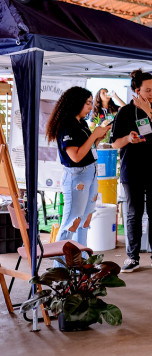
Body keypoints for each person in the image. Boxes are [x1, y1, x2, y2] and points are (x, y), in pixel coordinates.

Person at [111, 69, 152, 273]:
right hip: (133, 169)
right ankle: (132, 257)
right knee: (133, 213)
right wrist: (129, 139)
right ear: (136, 90)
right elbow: (114, 144)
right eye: (147, 90)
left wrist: (149, 111)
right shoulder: (125, 112)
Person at [46, 87, 109, 247]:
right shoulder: (67, 125)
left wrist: (97, 138)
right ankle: (59, 265)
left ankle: (81, 261)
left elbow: (87, 149)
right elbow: (75, 156)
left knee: (85, 219)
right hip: (77, 176)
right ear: (76, 103)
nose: (90, 107)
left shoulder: (81, 123)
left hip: (90, 172)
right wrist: (94, 135)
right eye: (87, 103)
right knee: (72, 221)